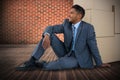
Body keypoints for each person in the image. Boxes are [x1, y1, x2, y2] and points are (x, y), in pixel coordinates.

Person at [16, 4, 111, 71]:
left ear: (79, 15)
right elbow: (51, 28)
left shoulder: (88, 28)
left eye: (71, 13)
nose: (68, 15)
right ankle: (31, 61)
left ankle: (41, 64)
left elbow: (93, 46)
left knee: (51, 67)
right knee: (49, 34)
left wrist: (99, 63)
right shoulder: (66, 24)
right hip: (65, 52)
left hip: (77, 58)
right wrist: (47, 36)